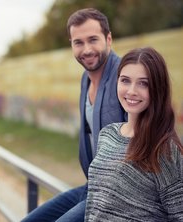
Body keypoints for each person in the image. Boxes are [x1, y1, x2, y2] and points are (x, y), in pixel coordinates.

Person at [22, 8, 126, 222]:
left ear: (109, 39)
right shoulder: (85, 80)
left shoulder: (125, 78)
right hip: (92, 186)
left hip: (119, 195)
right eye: (78, 42)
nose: (86, 49)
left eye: (93, 40)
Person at [85, 47, 183, 221]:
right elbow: (94, 204)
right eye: (125, 81)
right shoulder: (108, 134)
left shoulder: (165, 148)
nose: (131, 91)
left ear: (158, 89)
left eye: (143, 83)